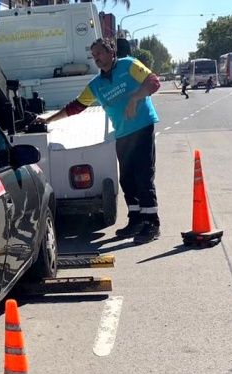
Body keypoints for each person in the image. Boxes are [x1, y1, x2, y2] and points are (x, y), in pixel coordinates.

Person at [35, 37, 161, 244]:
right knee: (127, 180)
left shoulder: (129, 65)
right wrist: (48, 119)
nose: (97, 59)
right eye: (94, 56)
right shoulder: (96, 85)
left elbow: (153, 82)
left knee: (143, 176)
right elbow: (75, 106)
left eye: (100, 54)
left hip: (142, 128)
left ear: (112, 53)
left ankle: (152, 223)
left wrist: (135, 97)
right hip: (122, 134)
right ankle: (136, 220)